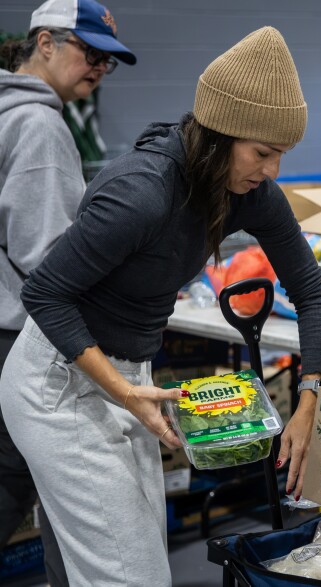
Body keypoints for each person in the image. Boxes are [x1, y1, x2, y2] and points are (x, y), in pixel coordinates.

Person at [0, 26, 321, 585]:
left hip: (129, 377)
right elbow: (45, 294)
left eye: (281, 156)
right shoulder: (143, 190)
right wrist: (125, 391)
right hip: (58, 384)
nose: (272, 171)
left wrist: (309, 396)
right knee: (134, 575)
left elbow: (310, 288)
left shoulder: (247, 193)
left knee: (120, 562)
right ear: (221, 135)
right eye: (263, 153)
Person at [0, 0, 136, 583]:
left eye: (109, 60)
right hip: (18, 336)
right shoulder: (39, 124)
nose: (100, 68)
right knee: (21, 482)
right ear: (45, 43)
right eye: (90, 53)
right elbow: (48, 258)